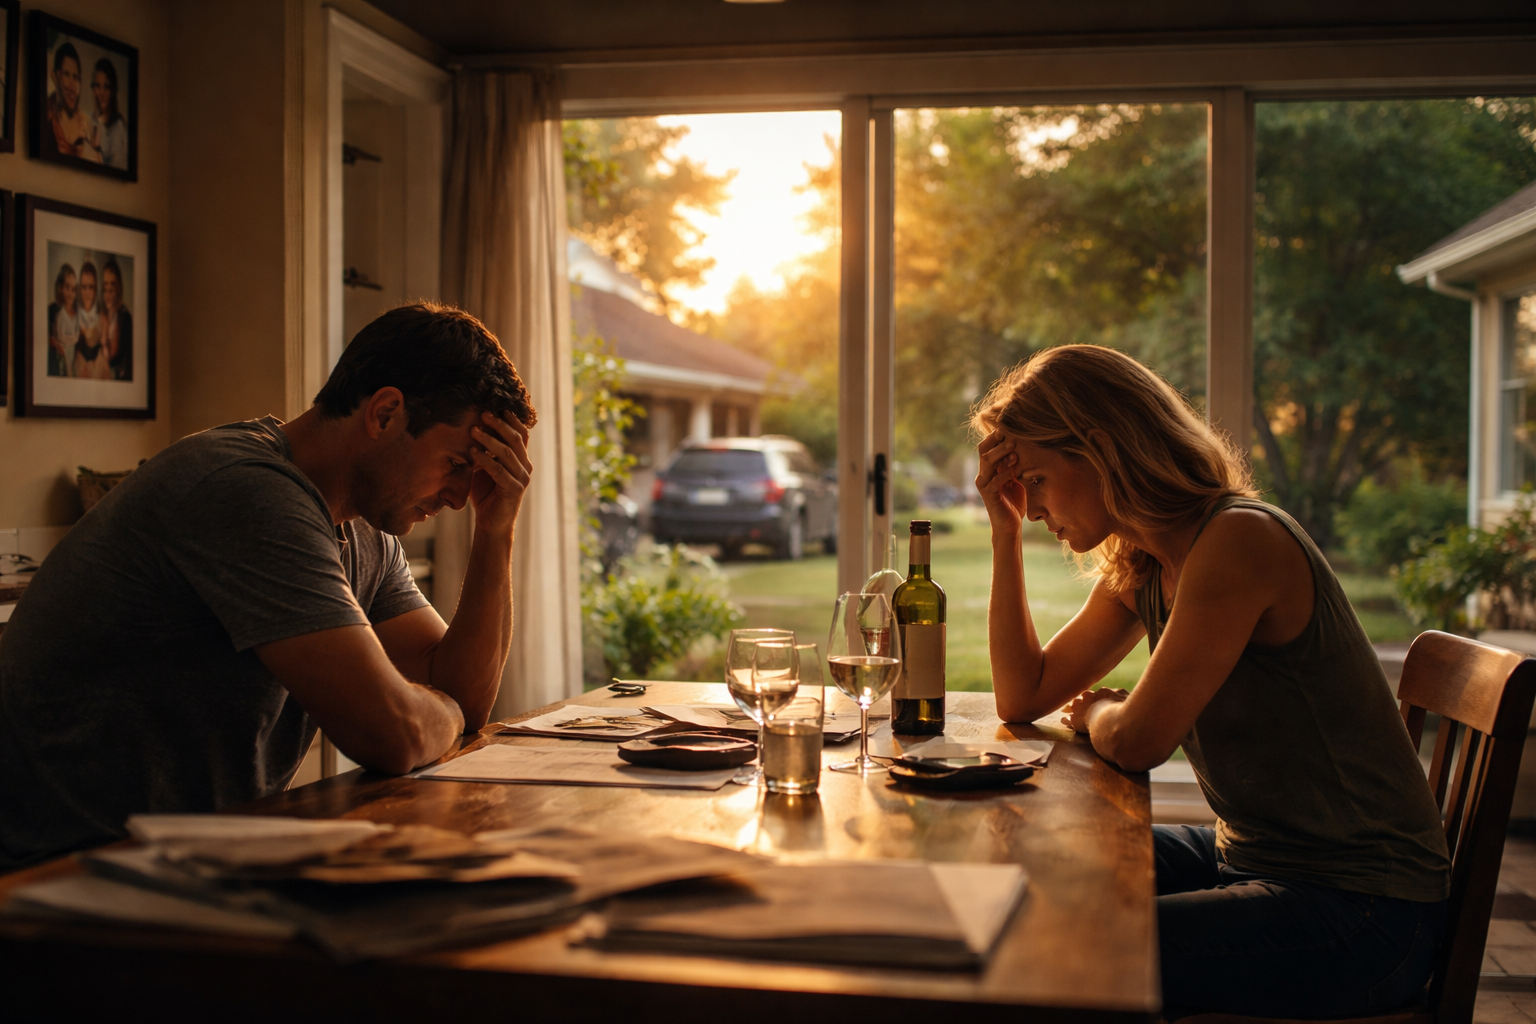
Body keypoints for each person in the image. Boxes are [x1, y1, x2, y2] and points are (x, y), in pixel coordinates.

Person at [971, 345, 1449, 1018]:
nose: (1033, 505)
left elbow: (1137, 742)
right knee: (1035, 862)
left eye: (1039, 480)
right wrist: (1004, 533)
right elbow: (1025, 693)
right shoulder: (1146, 558)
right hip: (1256, 857)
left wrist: (1102, 712)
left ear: (1101, 450)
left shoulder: (1237, 540)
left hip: (1364, 912)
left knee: (1067, 941)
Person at [0, 303, 536, 871]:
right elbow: (395, 734)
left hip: (186, 862)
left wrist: (496, 527)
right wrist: (441, 711)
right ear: (385, 414)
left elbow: (463, 695)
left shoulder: (363, 532)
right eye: (455, 464)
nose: (458, 497)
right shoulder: (245, 491)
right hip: (55, 873)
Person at [47, 42, 99, 164]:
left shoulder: (86, 124)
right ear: (55, 76)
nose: (72, 85)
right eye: (67, 75)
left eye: (76, 77)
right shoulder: (46, 114)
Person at [71, 261, 111, 379]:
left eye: (91, 287)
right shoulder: (75, 314)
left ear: (96, 289)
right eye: (84, 287)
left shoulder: (102, 317)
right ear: (79, 288)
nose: (87, 292)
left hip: (99, 367)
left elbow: (106, 355)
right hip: (80, 367)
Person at [87, 58, 128, 170]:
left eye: (106, 87)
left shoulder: (118, 127)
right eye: (98, 86)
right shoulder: (89, 119)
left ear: (113, 90)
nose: (101, 93)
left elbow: (118, 169)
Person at [101, 260, 133, 381]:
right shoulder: (100, 316)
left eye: (111, 289)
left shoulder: (125, 319)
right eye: (105, 289)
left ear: (118, 289)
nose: (107, 294)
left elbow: (124, 362)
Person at [47, 263, 79, 378]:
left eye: (73, 289)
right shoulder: (53, 311)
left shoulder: (78, 315)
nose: (71, 294)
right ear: (60, 288)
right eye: (67, 288)